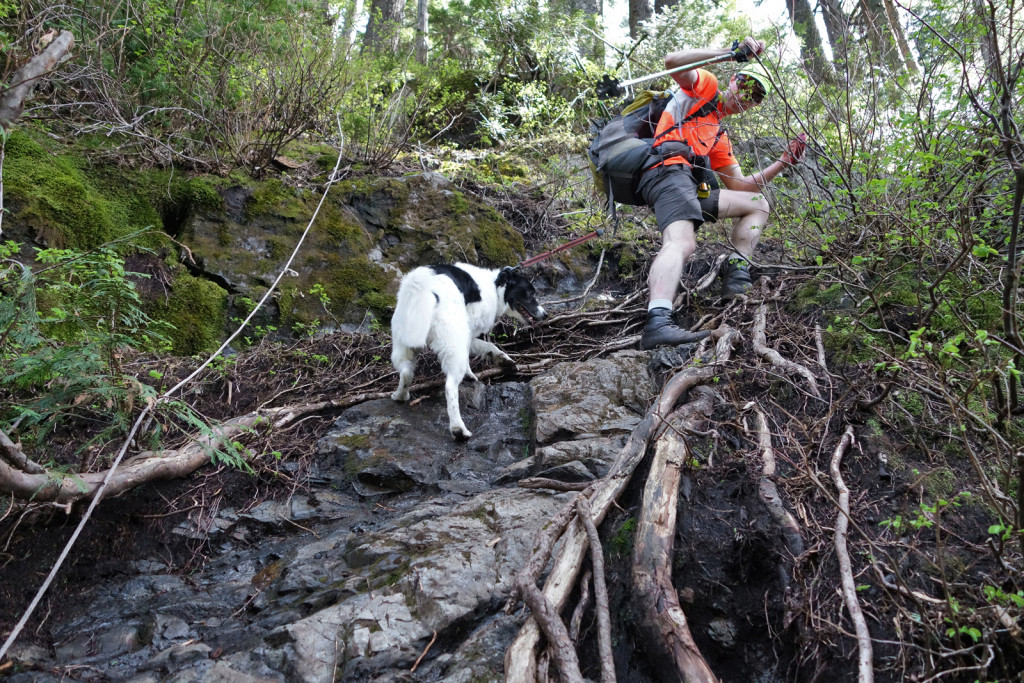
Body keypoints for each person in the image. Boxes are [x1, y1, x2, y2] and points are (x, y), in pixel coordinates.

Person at [638, 37, 807, 350]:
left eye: (754, 97)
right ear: (733, 81)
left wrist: (784, 162)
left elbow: (740, 187)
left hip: (691, 186)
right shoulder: (704, 87)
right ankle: (657, 322)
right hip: (666, 171)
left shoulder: (718, 133)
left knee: (757, 204)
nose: (746, 96)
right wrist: (730, 54)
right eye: (744, 87)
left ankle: (736, 274)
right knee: (682, 242)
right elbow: (673, 60)